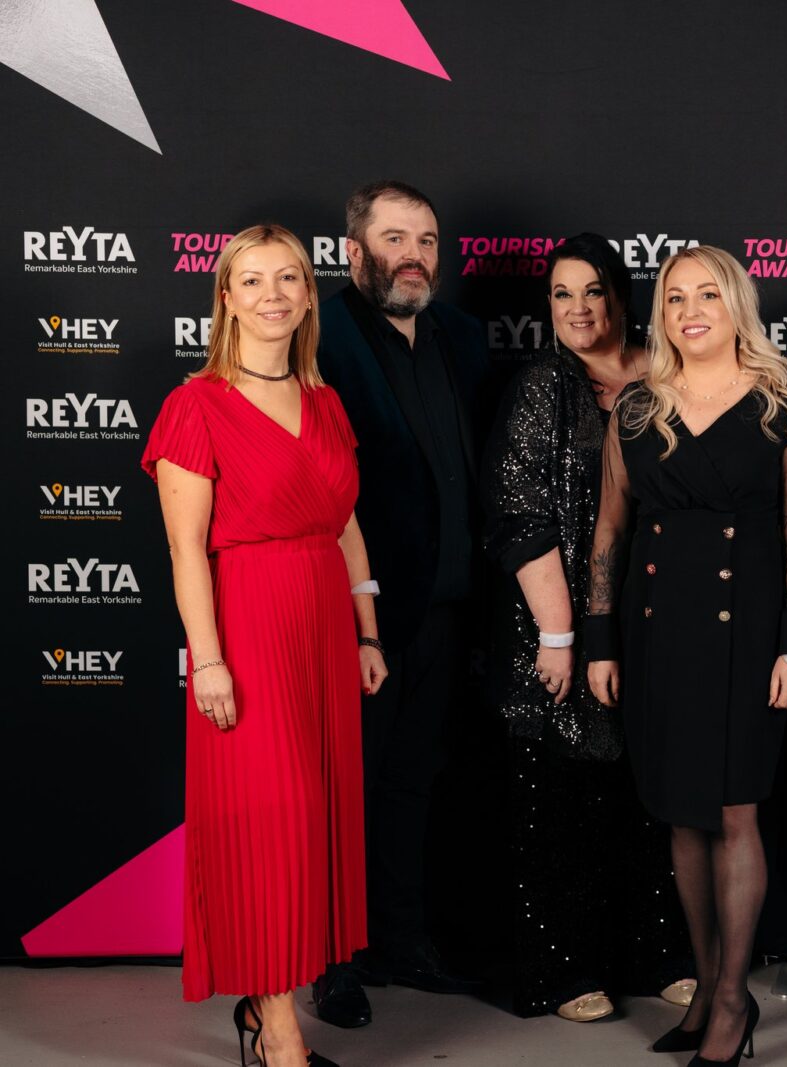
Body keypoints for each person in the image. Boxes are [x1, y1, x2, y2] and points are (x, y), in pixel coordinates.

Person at [143, 224, 386, 1067]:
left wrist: (366, 628)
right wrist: (207, 659)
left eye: (290, 278)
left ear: (310, 295)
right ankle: (278, 1036)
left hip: (323, 623)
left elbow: (347, 522)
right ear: (226, 297)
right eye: (253, 281)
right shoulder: (195, 404)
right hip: (247, 625)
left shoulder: (325, 400)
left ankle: (268, 1005)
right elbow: (185, 551)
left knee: (314, 818)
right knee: (268, 826)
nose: (273, 294)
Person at [585, 245, 787, 1065]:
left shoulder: (784, 406)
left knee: (734, 809)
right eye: (676, 295)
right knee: (683, 814)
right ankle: (706, 978)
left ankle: (730, 1001)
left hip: (750, 631)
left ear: (737, 307)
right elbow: (609, 532)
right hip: (658, 631)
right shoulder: (637, 410)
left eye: (708, 295)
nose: (690, 309)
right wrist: (600, 641)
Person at [480, 233, 692, 1021]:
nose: (577, 309)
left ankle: (659, 953)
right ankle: (565, 969)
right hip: (556, 622)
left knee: (652, 796)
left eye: (592, 291)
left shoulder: (669, 374)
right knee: (561, 802)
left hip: (654, 617)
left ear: (620, 297)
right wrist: (560, 635)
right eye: (562, 294)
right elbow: (519, 517)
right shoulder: (541, 387)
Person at [313, 180, 490, 1026]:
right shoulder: (318, 332)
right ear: (355, 252)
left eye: (425, 237)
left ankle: (401, 940)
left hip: (451, 609)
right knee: (346, 789)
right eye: (393, 238)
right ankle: (332, 960)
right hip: (362, 615)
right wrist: (355, 620)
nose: (414, 253)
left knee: (415, 784)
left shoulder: (463, 336)